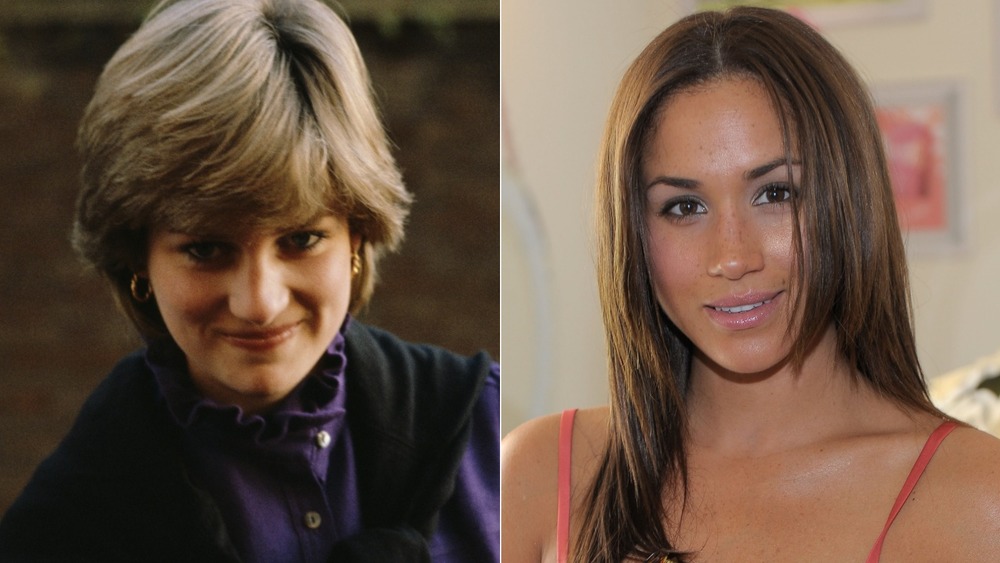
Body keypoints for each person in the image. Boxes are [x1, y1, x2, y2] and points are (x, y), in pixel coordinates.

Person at [0, 0, 499, 561]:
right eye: (206, 249)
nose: (260, 302)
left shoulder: (495, 439)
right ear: (136, 258)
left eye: (302, 239)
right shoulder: (66, 528)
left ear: (358, 235)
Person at [501, 6, 1000, 563]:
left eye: (776, 194)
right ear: (633, 235)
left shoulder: (980, 499)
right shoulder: (540, 476)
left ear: (850, 201)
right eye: (684, 206)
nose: (733, 257)